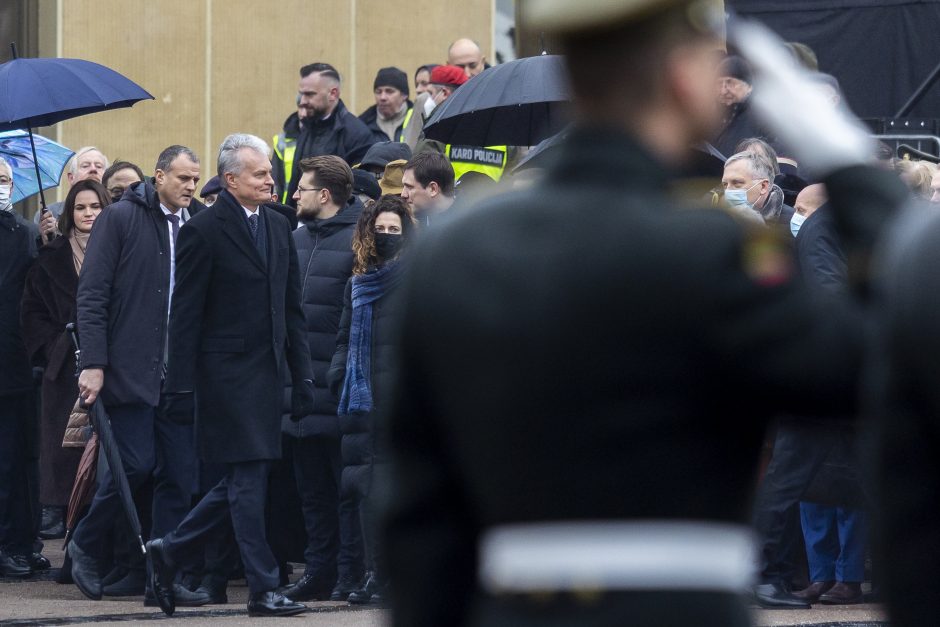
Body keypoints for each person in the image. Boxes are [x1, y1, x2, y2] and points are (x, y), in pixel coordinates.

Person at [378, 1, 908, 626]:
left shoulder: (457, 249)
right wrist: (854, 172)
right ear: (682, 78)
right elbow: (873, 369)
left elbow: (414, 514)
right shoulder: (716, 248)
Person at [147, 133, 316, 618]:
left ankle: (171, 549)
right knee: (246, 483)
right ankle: (263, 588)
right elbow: (185, 316)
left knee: (244, 480)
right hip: (223, 378)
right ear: (231, 179)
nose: (271, 180)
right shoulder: (205, 230)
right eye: (261, 173)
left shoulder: (280, 227)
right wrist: (179, 384)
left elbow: (292, 311)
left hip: (268, 377)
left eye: (269, 172)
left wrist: (301, 378)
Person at [71, 145, 209, 605]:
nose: (191, 186)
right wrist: (93, 362)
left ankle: (162, 579)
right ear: (159, 176)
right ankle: (85, 544)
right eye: (183, 178)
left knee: (177, 475)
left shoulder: (195, 223)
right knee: (134, 465)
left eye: (195, 179)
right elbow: (92, 294)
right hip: (129, 368)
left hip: (180, 372)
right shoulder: (122, 218)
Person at [278, 156, 366, 603]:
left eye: (302, 188)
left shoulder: (360, 243)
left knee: (345, 492)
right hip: (297, 392)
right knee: (310, 493)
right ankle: (319, 571)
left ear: (325, 195)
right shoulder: (294, 239)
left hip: (338, 392)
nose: (294, 195)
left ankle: (350, 574)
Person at [329, 194, 416, 605]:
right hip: (361, 401)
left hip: (400, 401)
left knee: (390, 490)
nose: (385, 237)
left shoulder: (418, 278)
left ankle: (387, 575)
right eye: (379, 230)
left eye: (393, 231)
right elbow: (344, 339)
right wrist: (337, 378)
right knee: (361, 491)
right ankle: (369, 575)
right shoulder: (357, 283)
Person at [20, 180, 109, 545]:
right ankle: (72, 541)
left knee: (106, 460)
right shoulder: (49, 258)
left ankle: (100, 545)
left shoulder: (118, 252)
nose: (88, 214)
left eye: (95, 207)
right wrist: (57, 346)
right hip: (64, 370)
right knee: (68, 459)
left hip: (110, 367)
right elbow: (31, 314)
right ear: (69, 212)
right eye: (80, 207)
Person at [0, 156, 45, 579]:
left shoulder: (26, 232)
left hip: (15, 365)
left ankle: (20, 542)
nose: (1, 186)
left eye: (5, 180)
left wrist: (49, 242)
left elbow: (39, 294)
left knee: (18, 459)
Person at [285, 63, 376, 206]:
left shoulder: (357, 134)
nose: (302, 101)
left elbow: (357, 191)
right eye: (301, 94)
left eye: (309, 94)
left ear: (333, 94)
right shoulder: (308, 127)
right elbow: (295, 181)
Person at [36, 147, 110, 242]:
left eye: (99, 166)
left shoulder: (115, 212)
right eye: (85, 166)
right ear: (71, 178)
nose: (93, 169)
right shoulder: (49, 214)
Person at [713, 56, 775, 159]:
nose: (723, 90)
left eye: (730, 83)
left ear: (749, 86)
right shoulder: (711, 117)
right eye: (719, 84)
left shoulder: (763, 118)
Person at [721, 151, 790, 228]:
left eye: (737, 183)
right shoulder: (718, 217)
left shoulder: (789, 224)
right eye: (725, 184)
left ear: (763, 186)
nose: (728, 190)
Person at [359, 68, 414, 143]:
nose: (382, 97)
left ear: (404, 95)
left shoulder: (418, 121)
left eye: (389, 91)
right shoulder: (362, 126)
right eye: (378, 92)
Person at [401, 152, 455, 225]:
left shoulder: (469, 225)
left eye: (409, 187)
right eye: (404, 186)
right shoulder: (409, 220)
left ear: (433, 189)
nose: (403, 194)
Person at [272, 103, 306, 203]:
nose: (304, 113)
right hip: (287, 203)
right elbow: (276, 179)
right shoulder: (281, 141)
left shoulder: (325, 138)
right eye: (301, 107)